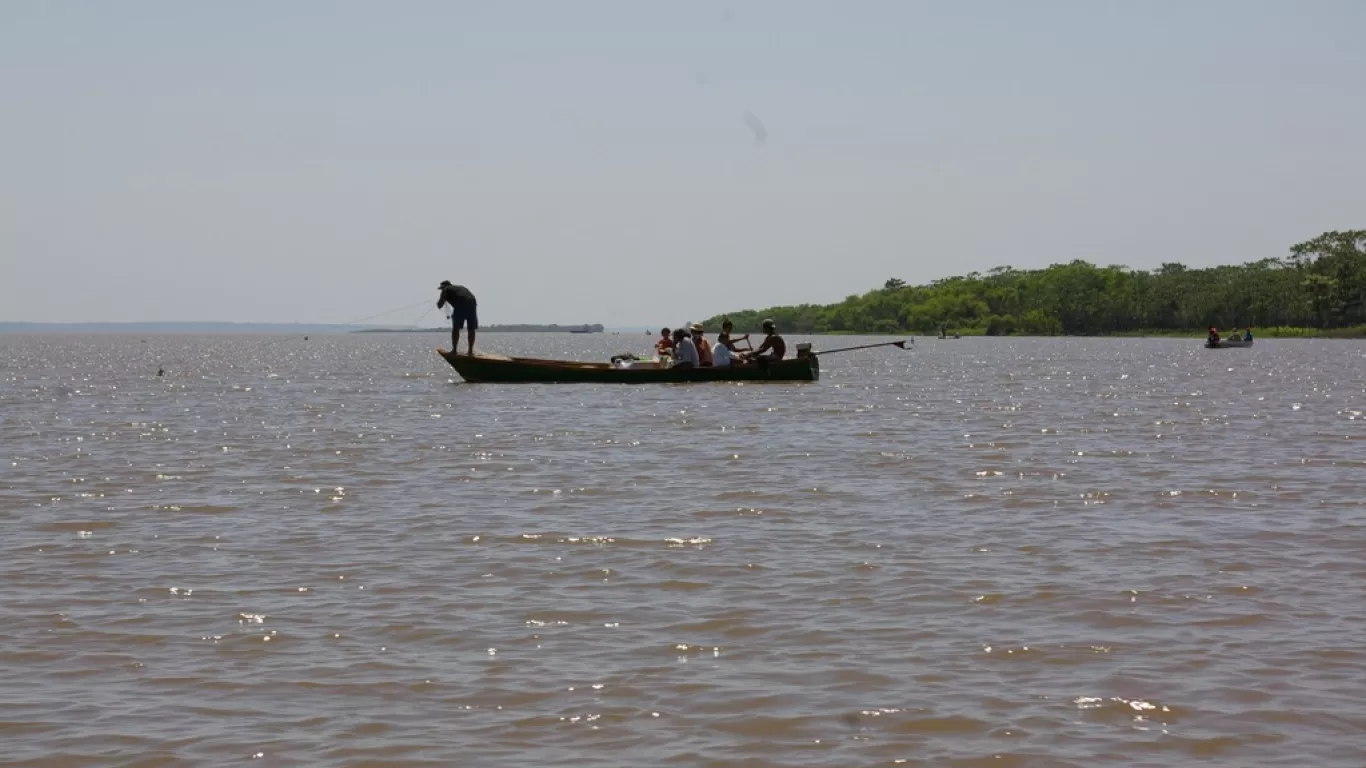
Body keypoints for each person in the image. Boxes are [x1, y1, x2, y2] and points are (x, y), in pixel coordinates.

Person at [437, 280, 478, 355]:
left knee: (456, 328)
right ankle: (470, 351)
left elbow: (440, 305)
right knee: (471, 328)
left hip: (461, 303)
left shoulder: (446, 289)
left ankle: (454, 351)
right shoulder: (460, 287)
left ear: (443, 287)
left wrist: (439, 302)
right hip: (472, 302)